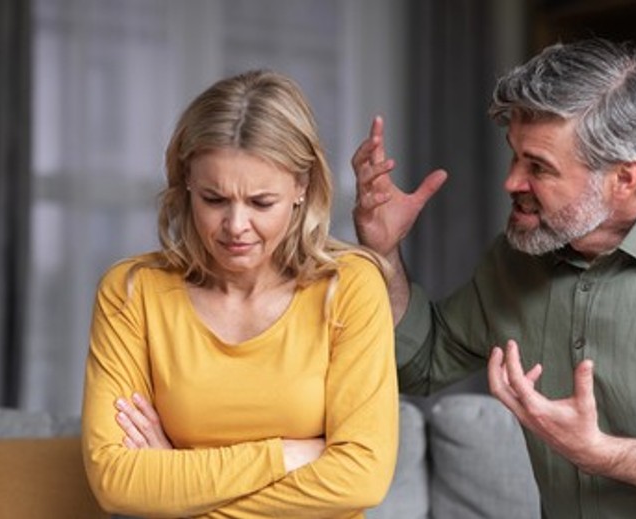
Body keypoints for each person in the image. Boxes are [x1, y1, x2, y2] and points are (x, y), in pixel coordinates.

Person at [351, 38, 636, 518]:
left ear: (625, 177)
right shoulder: (516, 260)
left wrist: (602, 453)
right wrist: (385, 253)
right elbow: (420, 362)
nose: (511, 182)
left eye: (538, 167)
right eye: (515, 155)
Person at [81, 69, 398, 519]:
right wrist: (287, 455)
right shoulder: (133, 292)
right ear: (187, 182)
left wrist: (178, 482)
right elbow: (116, 482)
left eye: (260, 203)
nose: (235, 226)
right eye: (214, 199)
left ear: (301, 190)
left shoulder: (349, 287)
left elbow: (361, 478)